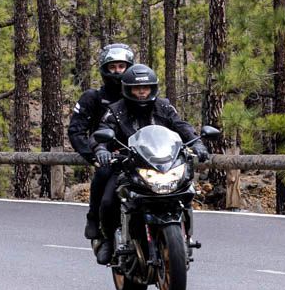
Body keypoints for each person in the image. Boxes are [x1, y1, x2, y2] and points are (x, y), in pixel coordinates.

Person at [91, 63, 209, 265]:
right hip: (128, 167)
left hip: (164, 165)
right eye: (137, 88)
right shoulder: (115, 111)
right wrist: (101, 149)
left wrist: (197, 142)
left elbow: (181, 126)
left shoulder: (164, 107)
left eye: (145, 88)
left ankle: (184, 236)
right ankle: (107, 240)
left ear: (153, 88)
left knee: (187, 190)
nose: (141, 92)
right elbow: (102, 132)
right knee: (109, 201)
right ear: (127, 89)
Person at [67, 43, 134, 241]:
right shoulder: (93, 97)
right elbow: (76, 130)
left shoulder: (140, 94)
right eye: (113, 67)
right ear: (105, 69)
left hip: (139, 154)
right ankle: (95, 220)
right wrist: (92, 154)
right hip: (106, 153)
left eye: (122, 66)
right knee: (104, 181)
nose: (117, 72)